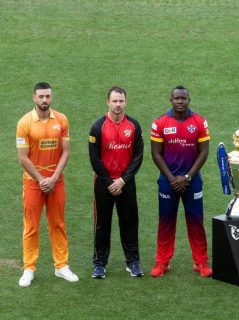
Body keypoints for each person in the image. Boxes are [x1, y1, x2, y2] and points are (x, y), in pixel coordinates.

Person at [16, 82, 79, 287]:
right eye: (41, 96)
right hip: (33, 184)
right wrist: (42, 179)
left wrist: (53, 178)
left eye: (48, 96)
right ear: (34, 97)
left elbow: (66, 151)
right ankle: (29, 268)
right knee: (31, 227)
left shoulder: (61, 120)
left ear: (52, 97)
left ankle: (61, 266)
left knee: (58, 224)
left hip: (56, 183)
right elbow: (23, 158)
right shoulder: (24, 123)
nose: (45, 100)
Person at [150, 85, 212, 278]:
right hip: (167, 181)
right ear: (170, 100)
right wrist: (172, 179)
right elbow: (155, 154)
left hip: (192, 181)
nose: (180, 101)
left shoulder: (200, 122)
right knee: (166, 221)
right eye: (176, 98)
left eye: (183, 98)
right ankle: (162, 262)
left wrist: (186, 177)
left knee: (196, 221)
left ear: (188, 100)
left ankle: (201, 262)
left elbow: (204, 152)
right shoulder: (160, 123)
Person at [88, 86, 144, 279]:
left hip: (126, 184)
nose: (118, 105)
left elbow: (138, 157)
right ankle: (99, 264)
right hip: (104, 185)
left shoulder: (134, 126)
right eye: (114, 101)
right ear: (108, 102)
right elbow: (94, 159)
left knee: (130, 222)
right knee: (102, 224)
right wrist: (110, 182)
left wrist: (122, 180)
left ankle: (133, 262)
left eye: (121, 101)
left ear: (125, 102)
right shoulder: (97, 127)